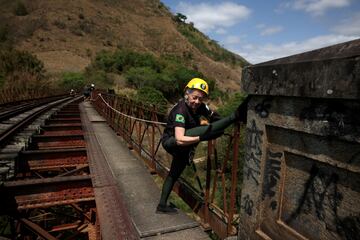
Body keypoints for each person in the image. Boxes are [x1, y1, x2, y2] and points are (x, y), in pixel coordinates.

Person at [156, 77, 249, 214]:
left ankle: (161, 205)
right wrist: (200, 137)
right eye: (194, 97)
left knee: (173, 175)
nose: (197, 102)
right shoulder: (180, 111)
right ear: (187, 94)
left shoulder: (200, 107)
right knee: (208, 131)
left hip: (185, 146)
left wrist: (221, 123)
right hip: (172, 142)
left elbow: (216, 119)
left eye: (201, 99)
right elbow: (180, 139)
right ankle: (236, 115)